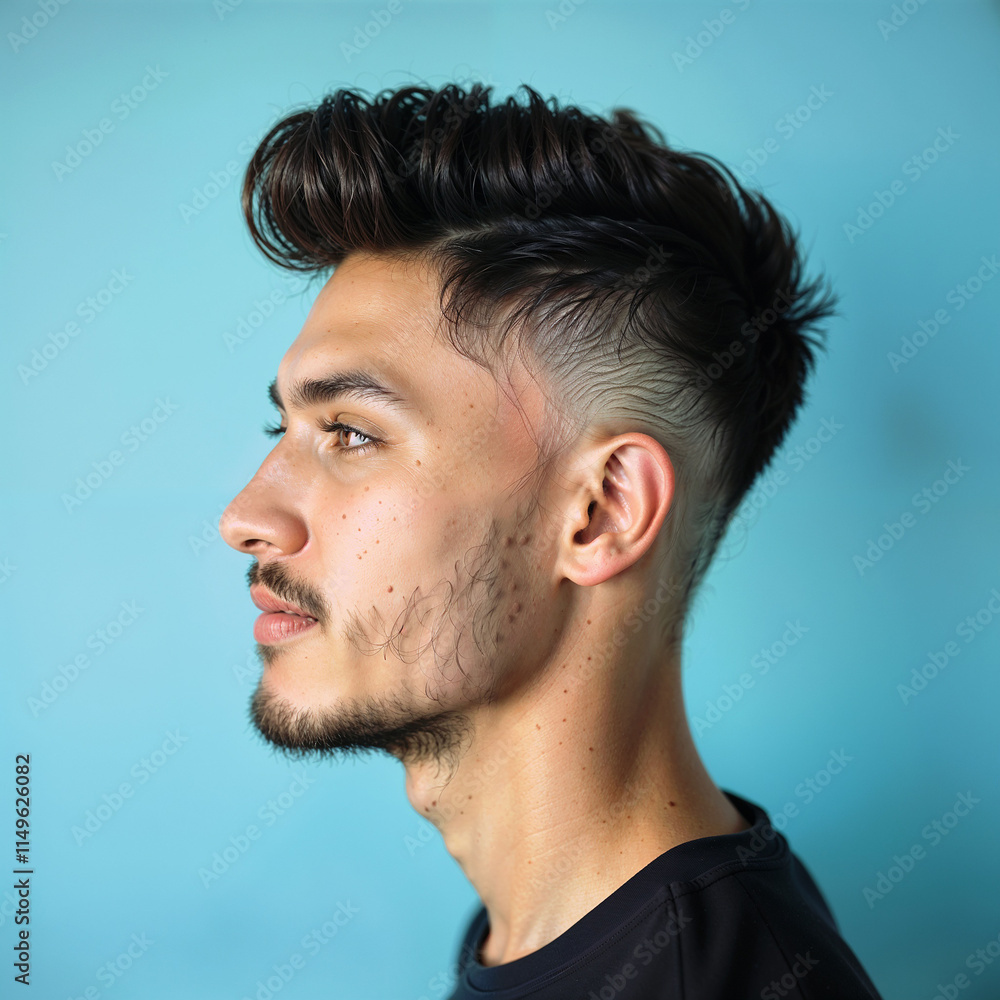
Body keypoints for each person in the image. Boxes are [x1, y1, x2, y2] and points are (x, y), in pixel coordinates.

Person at [219, 81, 883, 999]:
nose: (245, 517)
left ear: (602, 512)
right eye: (284, 430)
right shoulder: (549, 933)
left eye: (352, 433)